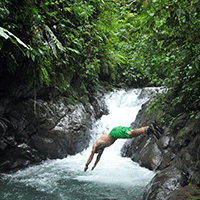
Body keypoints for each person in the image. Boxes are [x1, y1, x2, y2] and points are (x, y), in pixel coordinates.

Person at [84, 121, 163, 172]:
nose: (99, 153)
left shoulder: (97, 145)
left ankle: (148, 129)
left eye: (97, 152)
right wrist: (95, 164)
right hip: (116, 130)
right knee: (133, 132)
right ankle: (151, 127)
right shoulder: (102, 148)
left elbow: (91, 156)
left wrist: (86, 165)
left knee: (131, 134)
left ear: (96, 150)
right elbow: (98, 157)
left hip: (114, 134)